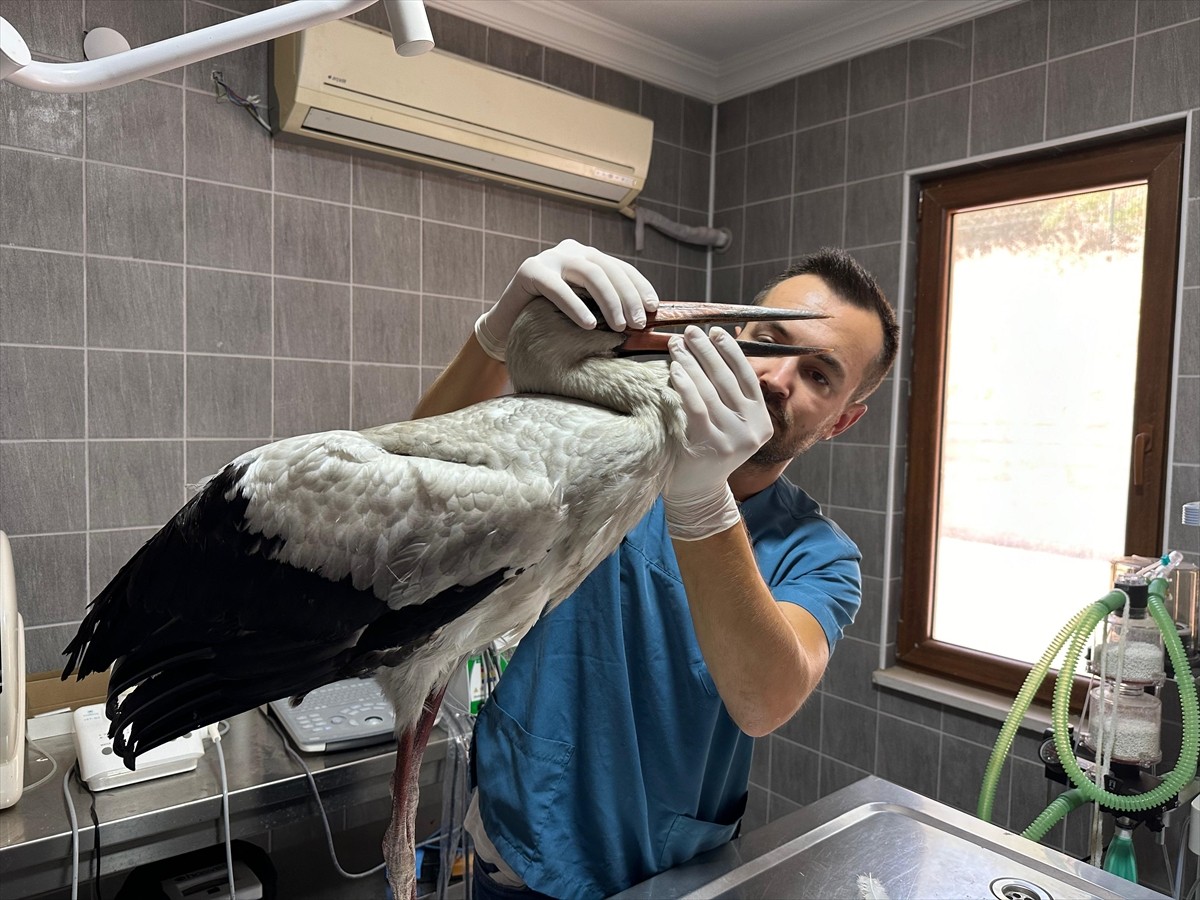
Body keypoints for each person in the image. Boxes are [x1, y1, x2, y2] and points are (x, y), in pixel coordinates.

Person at [412, 239, 899, 899]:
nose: (776, 378)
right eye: (769, 341)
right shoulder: (607, 444)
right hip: (519, 843)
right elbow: (420, 485)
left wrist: (700, 494)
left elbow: (764, 700)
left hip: (664, 874)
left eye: (818, 375)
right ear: (733, 336)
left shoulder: (819, 554)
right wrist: (498, 335)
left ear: (841, 421)